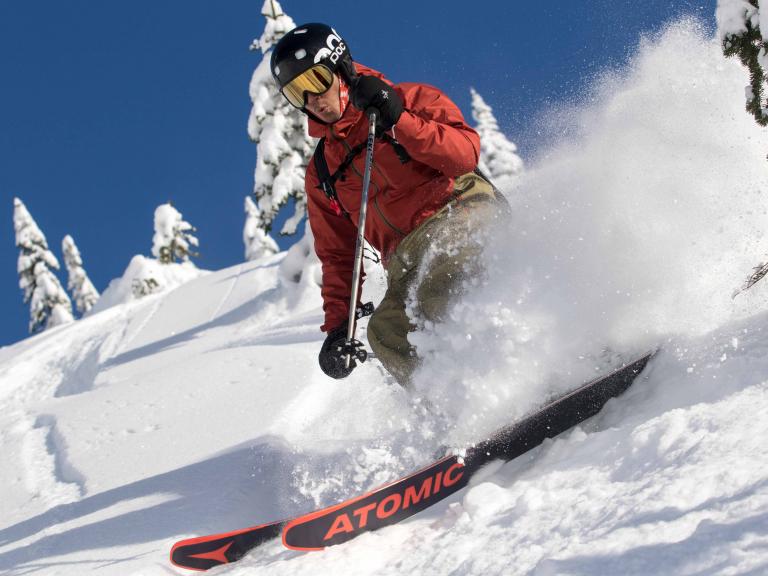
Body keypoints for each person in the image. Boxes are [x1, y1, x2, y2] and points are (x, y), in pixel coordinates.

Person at [270, 23, 506, 387]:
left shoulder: (408, 99)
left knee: (443, 283)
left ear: (340, 68)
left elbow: (463, 155)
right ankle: (462, 406)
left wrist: (399, 120)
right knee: (387, 333)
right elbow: (337, 255)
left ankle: (526, 364)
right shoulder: (323, 171)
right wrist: (338, 328)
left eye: (315, 80)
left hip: (459, 211)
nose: (311, 98)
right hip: (406, 259)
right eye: (296, 92)